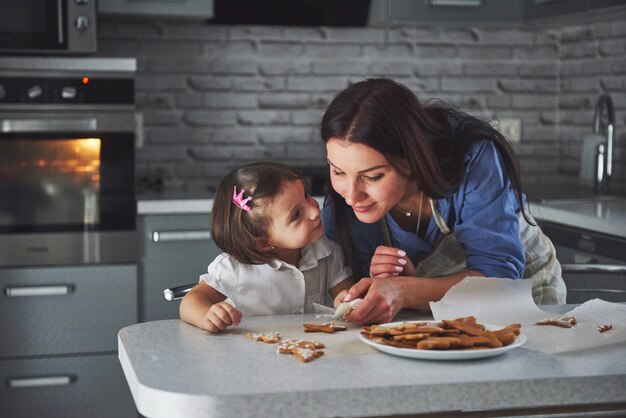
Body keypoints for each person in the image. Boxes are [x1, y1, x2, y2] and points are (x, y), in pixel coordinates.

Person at [320, 78, 566, 325]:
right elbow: (348, 282)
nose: (351, 195)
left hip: (525, 297)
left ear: (412, 159)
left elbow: (498, 281)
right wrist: (361, 295)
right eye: (337, 171)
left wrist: (405, 290)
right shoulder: (342, 206)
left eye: (372, 176)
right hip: (429, 314)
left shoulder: (472, 157)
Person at [179, 162, 355, 333]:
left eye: (306, 195)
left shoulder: (326, 251)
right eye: (296, 215)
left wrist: (348, 301)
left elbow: (348, 293)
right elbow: (191, 301)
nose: (314, 211)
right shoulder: (235, 268)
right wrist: (206, 316)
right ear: (264, 242)